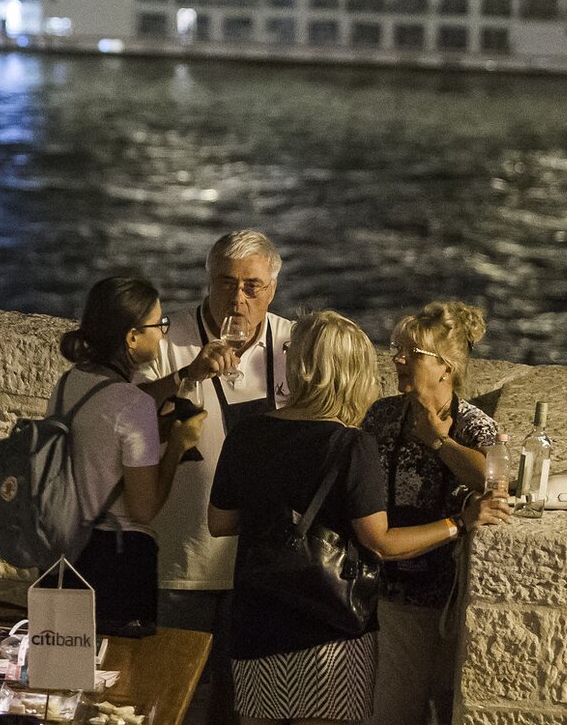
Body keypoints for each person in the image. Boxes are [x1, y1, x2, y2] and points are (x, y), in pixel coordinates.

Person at [209, 311, 511, 725]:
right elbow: (379, 542)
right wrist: (459, 524)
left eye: (410, 353)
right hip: (331, 630)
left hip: (257, 625)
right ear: (352, 371)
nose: (396, 361)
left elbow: (220, 523)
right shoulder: (355, 442)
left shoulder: (244, 433)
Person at [138, 230, 296, 722]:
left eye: (252, 285)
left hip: (261, 563)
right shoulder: (168, 341)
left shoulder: (295, 344)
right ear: (208, 282)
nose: (238, 297)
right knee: (164, 694)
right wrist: (186, 376)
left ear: (272, 288)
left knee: (241, 702)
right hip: (181, 561)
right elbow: (127, 415)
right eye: (226, 283)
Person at [362, 301, 498, 725]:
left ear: (446, 367)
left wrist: (440, 442)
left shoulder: (472, 426)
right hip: (374, 595)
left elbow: (495, 481)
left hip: (437, 605)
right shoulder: (382, 414)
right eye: (396, 349)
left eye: (411, 353)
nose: (397, 359)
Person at [57, 275, 206, 636]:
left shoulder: (71, 382)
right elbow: (144, 508)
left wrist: (184, 376)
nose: (164, 333)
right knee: (122, 675)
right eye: (159, 325)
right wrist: (178, 447)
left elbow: (108, 422)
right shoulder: (133, 406)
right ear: (132, 337)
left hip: (68, 548)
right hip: (118, 560)